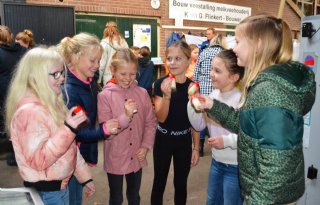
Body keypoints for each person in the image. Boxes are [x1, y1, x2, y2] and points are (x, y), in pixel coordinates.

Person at [195, 15, 316, 204]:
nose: (234, 48)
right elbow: (249, 128)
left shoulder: (269, 90)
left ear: (257, 45)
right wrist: (213, 106)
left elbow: (277, 168)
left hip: (268, 197)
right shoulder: (266, 85)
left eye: (238, 41)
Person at [5, 47, 95, 204]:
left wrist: (84, 177)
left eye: (62, 73)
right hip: (47, 192)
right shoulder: (29, 113)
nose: (62, 79)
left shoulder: (54, 104)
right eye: (56, 74)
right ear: (36, 77)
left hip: (60, 186)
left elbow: (70, 148)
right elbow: (39, 160)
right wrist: (68, 129)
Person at [58, 33, 120, 205]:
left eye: (99, 60)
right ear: (74, 57)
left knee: (76, 197)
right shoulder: (69, 90)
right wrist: (104, 130)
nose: (97, 65)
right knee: (71, 199)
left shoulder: (89, 82)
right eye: (92, 60)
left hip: (81, 154)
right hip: (70, 157)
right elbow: (78, 132)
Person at [98, 48, 157, 205]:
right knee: (116, 198)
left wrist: (145, 146)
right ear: (112, 70)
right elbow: (107, 132)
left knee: (134, 196)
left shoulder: (143, 93)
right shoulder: (104, 96)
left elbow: (151, 123)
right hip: (115, 156)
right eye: (123, 74)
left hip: (137, 154)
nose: (128, 78)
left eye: (132, 74)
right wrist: (126, 116)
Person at [188, 49, 244, 205]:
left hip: (236, 167)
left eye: (217, 71)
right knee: (212, 201)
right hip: (216, 162)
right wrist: (192, 105)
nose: (211, 73)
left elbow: (248, 135)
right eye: (212, 69)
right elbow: (199, 125)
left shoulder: (241, 100)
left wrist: (226, 141)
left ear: (234, 77)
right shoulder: (212, 96)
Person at [151, 41, 200, 205]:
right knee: (159, 182)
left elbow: (196, 120)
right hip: (163, 140)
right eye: (169, 58)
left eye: (178, 58)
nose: (172, 62)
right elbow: (161, 118)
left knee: (181, 184)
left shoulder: (192, 87)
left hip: (183, 142)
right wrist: (166, 97)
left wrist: (196, 147)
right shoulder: (160, 84)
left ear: (188, 61)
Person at [0, 25, 27, 166]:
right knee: (21, 125)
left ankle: (13, 156)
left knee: (10, 125)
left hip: (5, 95)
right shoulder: (22, 51)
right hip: (21, 92)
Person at [193, 34, 224, 156]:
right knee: (216, 119)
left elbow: (195, 75)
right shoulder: (223, 54)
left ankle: (200, 146)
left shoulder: (203, 53)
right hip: (218, 90)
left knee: (202, 118)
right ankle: (216, 145)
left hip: (203, 91)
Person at [98, 21, 129, 86]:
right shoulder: (124, 43)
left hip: (109, 79)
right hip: (123, 78)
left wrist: (98, 80)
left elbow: (101, 65)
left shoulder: (104, 44)